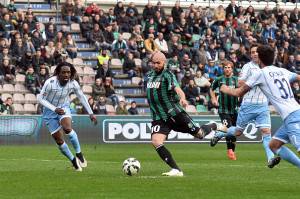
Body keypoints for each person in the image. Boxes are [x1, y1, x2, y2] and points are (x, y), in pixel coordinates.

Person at [220, 45, 300, 169]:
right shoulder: (282, 70)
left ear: (260, 59)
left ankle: (220, 131)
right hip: (294, 112)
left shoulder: (260, 74)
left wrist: (225, 88)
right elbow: (298, 77)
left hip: (292, 117)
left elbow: (238, 92)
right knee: (273, 145)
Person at [146, 51, 218, 177]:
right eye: (154, 63)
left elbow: (177, 89)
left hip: (175, 114)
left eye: (158, 63)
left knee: (199, 134)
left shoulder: (168, 75)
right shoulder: (150, 76)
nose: (156, 65)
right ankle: (176, 170)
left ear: (164, 63)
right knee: (156, 141)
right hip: (158, 117)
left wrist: (183, 98)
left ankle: (213, 125)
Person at [211, 45, 277, 167]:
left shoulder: (268, 67)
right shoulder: (248, 67)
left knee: (266, 132)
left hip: (263, 105)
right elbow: (240, 82)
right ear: (250, 54)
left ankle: (270, 159)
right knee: (237, 132)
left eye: (256, 52)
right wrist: (256, 80)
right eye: (252, 52)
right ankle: (220, 133)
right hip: (248, 104)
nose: (255, 54)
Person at [37, 62, 97, 171]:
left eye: (68, 72)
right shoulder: (50, 83)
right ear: (58, 73)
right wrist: (54, 109)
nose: (66, 75)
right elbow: (40, 99)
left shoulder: (73, 83)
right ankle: (73, 161)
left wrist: (91, 113)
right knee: (59, 141)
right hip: (49, 111)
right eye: (63, 72)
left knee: (67, 128)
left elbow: (82, 97)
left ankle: (79, 153)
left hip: (64, 107)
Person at [210, 61, 238, 160]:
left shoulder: (236, 80)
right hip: (223, 110)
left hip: (235, 110)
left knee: (234, 131)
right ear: (223, 69)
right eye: (225, 67)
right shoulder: (219, 79)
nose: (227, 69)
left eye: (229, 67)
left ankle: (220, 136)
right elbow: (211, 89)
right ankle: (230, 151)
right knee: (229, 128)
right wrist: (213, 99)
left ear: (232, 69)